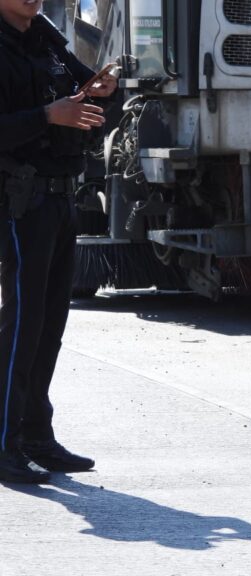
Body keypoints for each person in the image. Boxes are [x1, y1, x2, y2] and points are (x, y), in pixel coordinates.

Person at [0, 0, 117, 483]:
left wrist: (102, 91)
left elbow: (87, 92)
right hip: (20, 200)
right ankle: (5, 444)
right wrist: (49, 115)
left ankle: (35, 436)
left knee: (50, 324)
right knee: (22, 324)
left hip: (61, 195)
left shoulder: (44, 37)